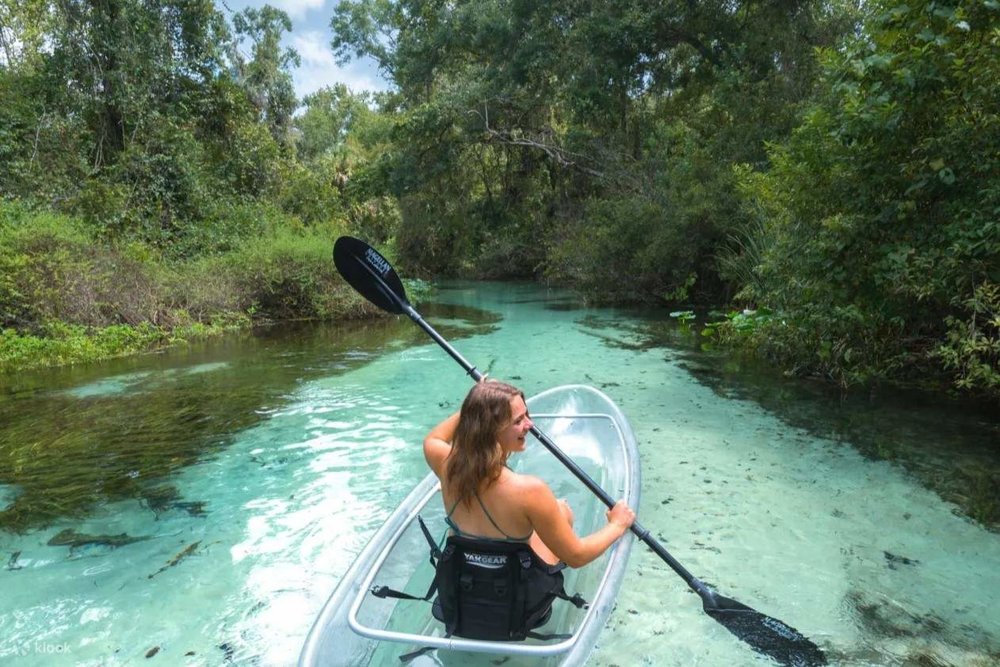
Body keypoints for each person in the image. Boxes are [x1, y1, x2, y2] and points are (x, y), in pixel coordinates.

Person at [423, 379, 636, 568]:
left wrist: (478, 402)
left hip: (462, 582)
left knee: (552, 512)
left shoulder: (447, 465)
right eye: (518, 421)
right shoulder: (529, 490)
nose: (529, 424)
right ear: (490, 430)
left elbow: (434, 438)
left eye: (526, 414)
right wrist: (617, 525)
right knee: (562, 511)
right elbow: (576, 556)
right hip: (512, 593)